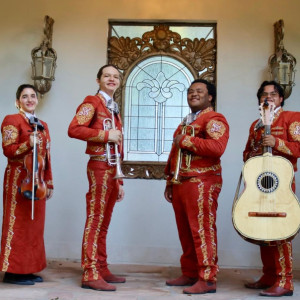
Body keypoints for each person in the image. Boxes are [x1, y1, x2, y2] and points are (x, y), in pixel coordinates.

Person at [164, 79, 229, 294]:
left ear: (210, 97)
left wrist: (186, 141)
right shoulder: (187, 121)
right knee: (185, 231)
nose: (193, 94)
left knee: (202, 230)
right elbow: (175, 153)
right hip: (181, 182)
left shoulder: (214, 118)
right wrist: (169, 180)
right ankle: (191, 272)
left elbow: (217, 147)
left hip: (202, 182)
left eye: (199, 91)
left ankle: (208, 278)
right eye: (190, 91)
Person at [68, 64, 125, 292]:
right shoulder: (92, 101)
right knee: (95, 219)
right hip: (99, 166)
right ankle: (90, 272)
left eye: (116, 76)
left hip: (112, 169)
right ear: (98, 79)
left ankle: (101, 267)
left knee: (104, 222)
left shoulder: (113, 106)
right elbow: (74, 129)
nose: (112, 79)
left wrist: (119, 180)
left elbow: (118, 144)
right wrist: (105, 135)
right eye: (107, 76)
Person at [243, 80, 300, 297]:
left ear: (281, 98)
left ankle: (285, 282)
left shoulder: (292, 119)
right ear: (259, 100)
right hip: (260, 185)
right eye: (264, 95)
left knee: (281, 231)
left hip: (282, 185)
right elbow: (246, 154)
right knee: (262, 229)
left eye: (273, 94)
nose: (268, 98)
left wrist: (276, 143)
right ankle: (268, 276)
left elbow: (299, 148)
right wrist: (256, 152)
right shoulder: (255, 125)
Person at [0, 84, 53, 285]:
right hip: (18, 178)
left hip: (37, 181)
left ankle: (28, 269)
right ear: (17, 101)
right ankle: (13, 272)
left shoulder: (43, 125)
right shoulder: (11, 120)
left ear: (37, 100)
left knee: (34, 226)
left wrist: (49, 182)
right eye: (25, 96)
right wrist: (27, 144)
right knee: (18, 224)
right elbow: (8, 149)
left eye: (33, 96)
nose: (29, 99)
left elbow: (47, 156)